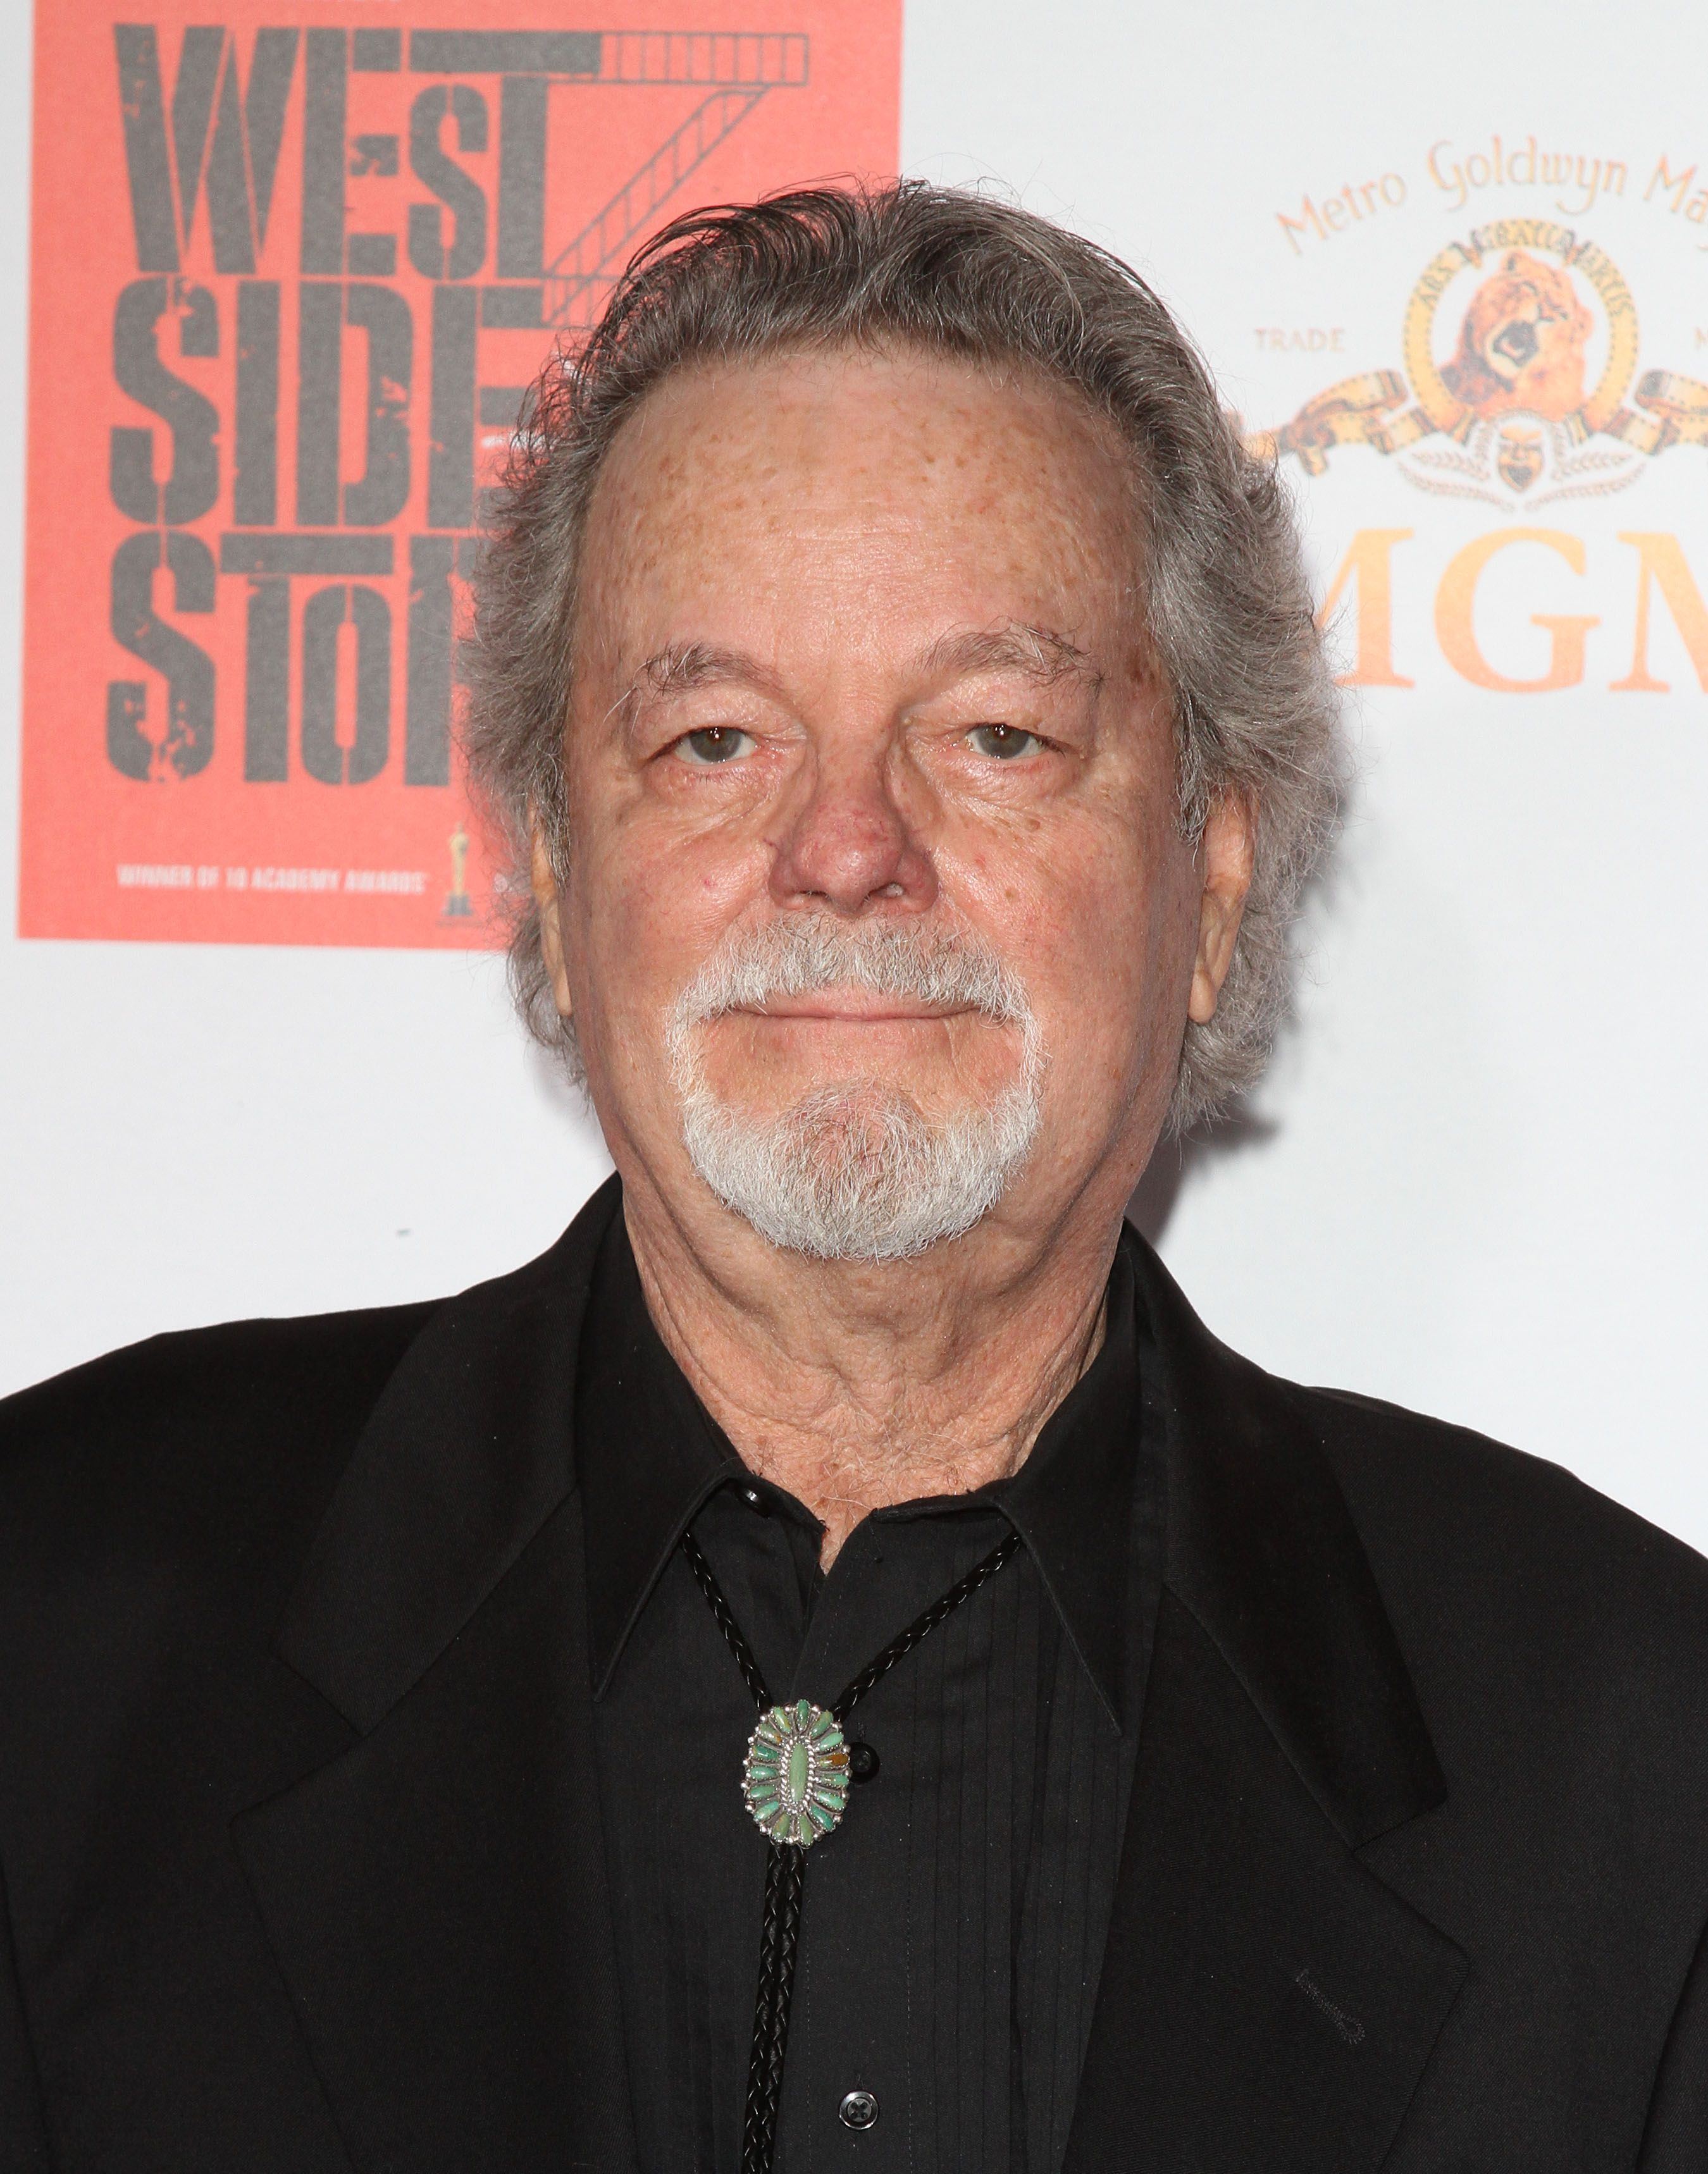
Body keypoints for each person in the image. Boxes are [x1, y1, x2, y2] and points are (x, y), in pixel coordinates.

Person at [2, 184, 1705, 2174]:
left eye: (993, 734)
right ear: (557, 885)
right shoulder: (49, 1635)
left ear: (1211, 888)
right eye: (714, 739)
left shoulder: (1626, 1762)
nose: (843, 848)